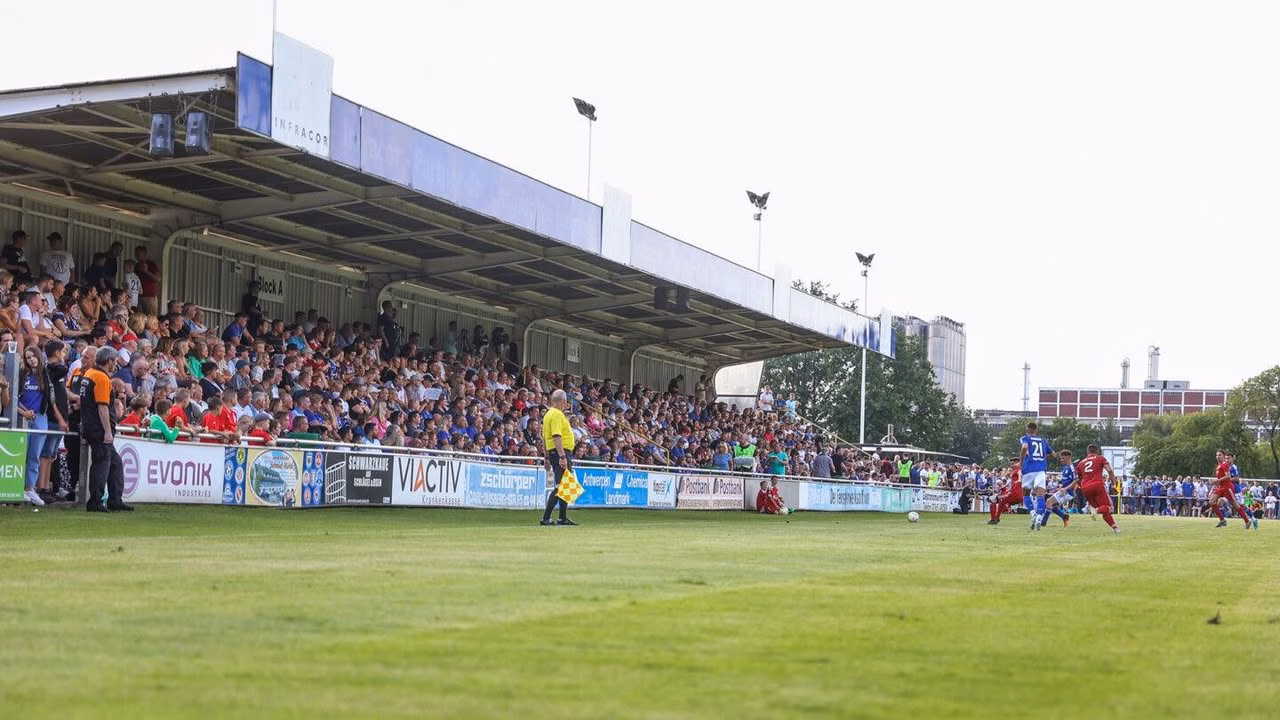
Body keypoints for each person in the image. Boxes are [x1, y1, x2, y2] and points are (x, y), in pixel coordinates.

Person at [80, 347, 131, 512]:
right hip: (99, 428)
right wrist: (108, 431)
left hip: (90, 424)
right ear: (109, 361)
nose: (115, 364)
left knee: (115, 463)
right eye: (114, 361)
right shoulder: (101, 378)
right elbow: (102, 407)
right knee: (101, 464)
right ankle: (95, 502)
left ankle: (115, 500)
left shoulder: (89, 374)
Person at [538, 389, 576, 526]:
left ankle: (562, 517)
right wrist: (562, 456)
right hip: (561, 452)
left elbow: (544, 439)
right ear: (563, 401)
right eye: (566, 402)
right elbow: (556, 436)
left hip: (554, 453)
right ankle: (546, 517)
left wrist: (546, 457)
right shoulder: (557, 415)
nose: (566, 405)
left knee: (566, 485)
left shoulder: (548, 415)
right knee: (561, 486)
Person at [1076, 445, 1120, 533]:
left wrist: (1083, 487)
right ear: (1097, 451)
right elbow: (1109, 470)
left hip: (1085, 487)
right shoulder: (1100, 458)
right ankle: (1094, 510)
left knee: (1104, 509)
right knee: (1109, 507)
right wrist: (1113, 484)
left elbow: (1077, 479)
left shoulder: (1080, 463)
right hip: (1097, 485)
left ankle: (1115, 528)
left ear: (1087, 452)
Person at [1020, 422, 1054, 531]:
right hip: (1041, 470)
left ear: (1027, 429)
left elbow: (1024, 447)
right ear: (1036, 430)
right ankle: (1039, 516)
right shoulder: (1043, 440)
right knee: (1040, 494)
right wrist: (1043, 456)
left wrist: (1021, 461)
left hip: (1028, 469)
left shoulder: (1025, 438)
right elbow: (1053, 454)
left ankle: (1033, 513)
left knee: (1025, 493)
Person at [1207, 449, 1251, 529]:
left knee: (1235, 504)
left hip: (1227, 487)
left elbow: (1228, 476)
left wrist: (1217, 480)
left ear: (1223, 456)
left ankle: (1247, 521)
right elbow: (1221, 478)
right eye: (1216, 455)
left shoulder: (1224, 465)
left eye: (1219, 455)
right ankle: (1222, 520)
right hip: (1221, 487)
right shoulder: (1219, 465)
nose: (1217, 457)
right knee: (1211, 501)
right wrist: (1214, 482)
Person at [1040, 449, 1075, 527]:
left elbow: (1075, 481)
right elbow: (1066, 481)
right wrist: (1060, 487)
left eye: (1063, 458)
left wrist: (1065, 489)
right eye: (1061, 458)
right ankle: (1064, 517)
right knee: (1050, 504)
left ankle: (1043, 523)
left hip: (1068, 492)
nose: (1061, 460)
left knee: (1049, 502)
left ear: (1068, 457)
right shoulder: (1065, 467)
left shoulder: (1072, 468)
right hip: (1064, 491)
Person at [1226, 453, 1258, 529]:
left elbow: (1237, 478)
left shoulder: (1234, 467)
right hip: (1228, 489)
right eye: (1226, 458)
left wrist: (1227, 479)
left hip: (1236, 489)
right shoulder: (1225, 467)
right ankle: (1222, 519)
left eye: (1229, 458)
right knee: (1219, 501)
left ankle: (1253, 518)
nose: (1227, 460)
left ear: (1232, 459)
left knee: (1242, 505)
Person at [988, 458, 1023, 525]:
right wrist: (1004, 487)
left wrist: (1019, 480)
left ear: (1018, 463)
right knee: (1000, 501)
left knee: (993, 499)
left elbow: (1020, 475)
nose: (1012, 464)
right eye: (1011, 463)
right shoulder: (1015, 470)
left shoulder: (1019, 469)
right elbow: (1012, 482)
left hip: (1015, 494)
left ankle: (994, 519)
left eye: (1013, 463)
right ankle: (996, 518)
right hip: (1016, 494)